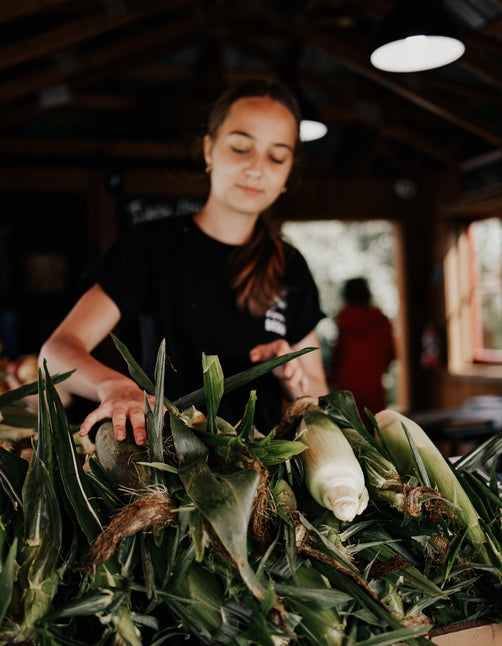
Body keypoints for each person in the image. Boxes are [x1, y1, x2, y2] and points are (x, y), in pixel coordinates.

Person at [39, 79, 328, 445]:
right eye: (241, 148)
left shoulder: (290, 265)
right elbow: (56, 351)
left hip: (264, 481)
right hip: (167, 472)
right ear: (209, 151)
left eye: (276, 156)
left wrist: (291, 375)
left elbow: (317, 395)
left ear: (288, 173)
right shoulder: (151, 246)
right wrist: (113, 385)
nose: (256, 168)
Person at [329, 277, 396, 416]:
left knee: (348, 432)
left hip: (346, 389)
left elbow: (338, 357)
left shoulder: (344, 320)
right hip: (373, 388)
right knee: (375, 431)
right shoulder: (381, 320)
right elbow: (392, 355)